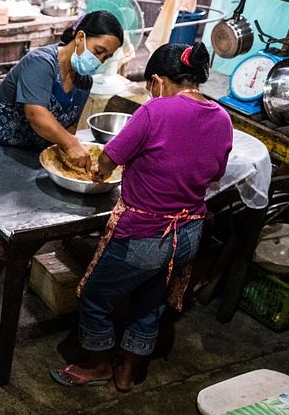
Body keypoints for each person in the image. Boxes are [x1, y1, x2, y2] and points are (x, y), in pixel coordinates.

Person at [51, 41, 233, 391]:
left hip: (147, 233)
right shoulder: (222, 118)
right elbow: (213, 174)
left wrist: (100, 173)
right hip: (190, 233)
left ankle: (100, 364)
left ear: (158, 81)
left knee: (94, 296)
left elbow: (108, 160)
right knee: (150, 302)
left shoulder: (155, 110)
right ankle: (127, 371)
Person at [0, 11, 124, 279]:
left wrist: (75, 159)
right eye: (99, 51)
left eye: (106, 56)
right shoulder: (41, 63)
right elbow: (37, 116)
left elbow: (69, 125)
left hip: (31, 149)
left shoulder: (84, 82)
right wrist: (71, 143)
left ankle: (6, 246)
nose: (100, 60)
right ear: (80, 37)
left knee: (16, 202)